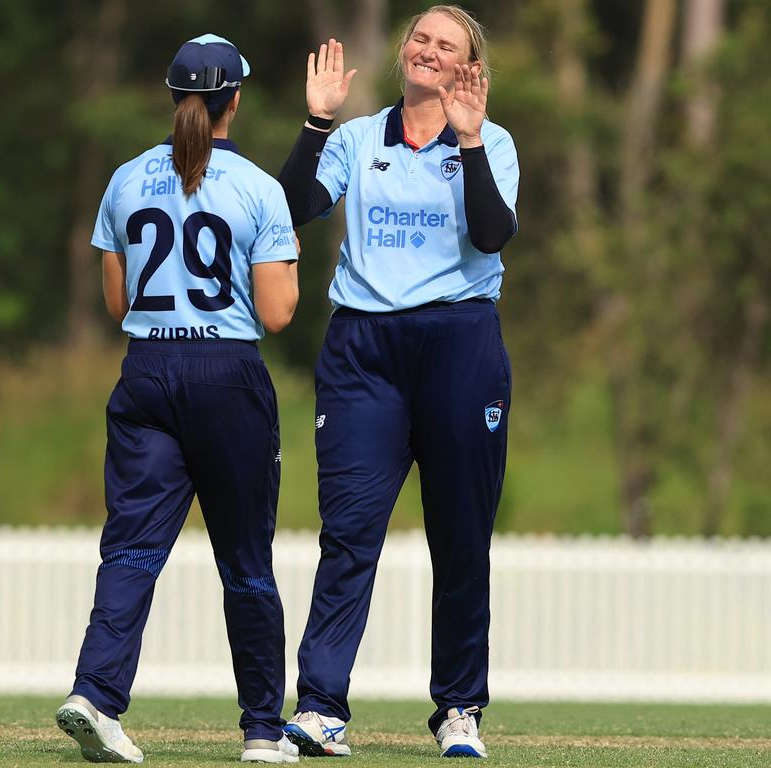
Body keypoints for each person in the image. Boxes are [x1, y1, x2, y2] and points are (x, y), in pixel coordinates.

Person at [276, 5, 518, 760]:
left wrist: (470, 138)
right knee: (348, 534)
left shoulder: (494, 141)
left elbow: (491, 233)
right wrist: (316, 125)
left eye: (447, 46)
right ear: (404, 53)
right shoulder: (357, 137)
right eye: (420, 38)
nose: (428, 50)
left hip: (459, 344)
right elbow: (293, 208)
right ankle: (319, 708)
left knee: (460, 537)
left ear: (467, 67)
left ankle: (458, 709)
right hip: (364, 350)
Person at [54, 34, 301, 765]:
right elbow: (280, 312)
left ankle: (95, 694)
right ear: (236, 100)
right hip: (226, 374)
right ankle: (262, 730)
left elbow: (115, 299)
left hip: (147, 369)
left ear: (172, 97)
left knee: (130, 548)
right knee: (246, 563)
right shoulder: (258, 186)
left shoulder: (127, 179)